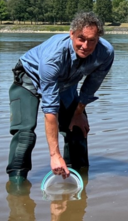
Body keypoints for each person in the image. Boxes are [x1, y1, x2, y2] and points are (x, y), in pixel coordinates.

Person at [7, 11, 114, 184]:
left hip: (65, 83)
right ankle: (17, 186)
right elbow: (50, 110)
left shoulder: (105, 52)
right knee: (25, 133)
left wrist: (78, 113)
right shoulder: (53, 57)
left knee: (78, 129)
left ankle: (77, 181)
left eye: (92, 40)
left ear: (98, 39)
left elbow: (91, 85)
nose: (86, 46)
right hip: (29, 77)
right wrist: (54, 155)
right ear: (71, 34)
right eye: (81, 38)